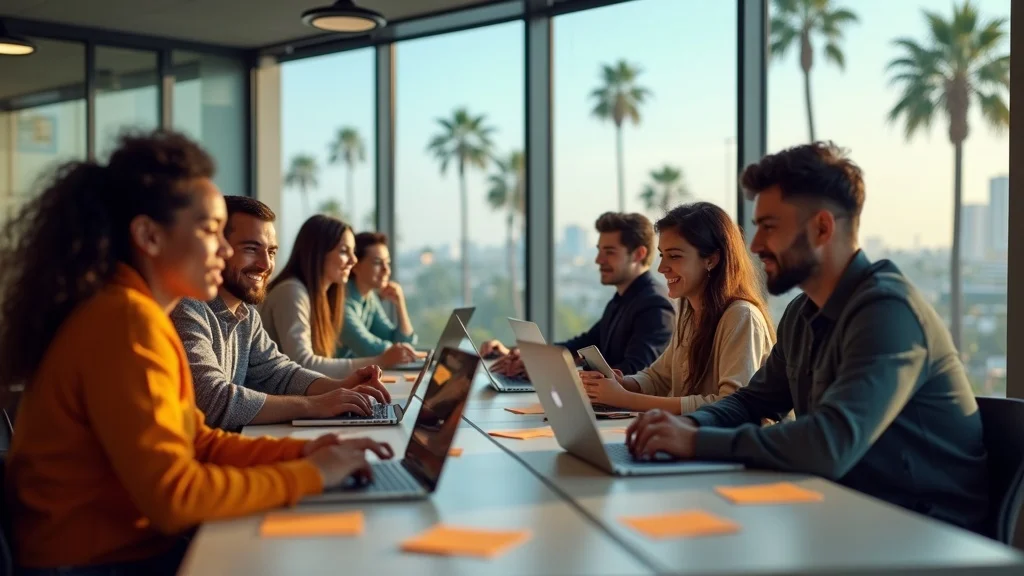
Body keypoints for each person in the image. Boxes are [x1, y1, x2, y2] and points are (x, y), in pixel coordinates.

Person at [1, 131, 393, 575]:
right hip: (93, 563)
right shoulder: (126, 324)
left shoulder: (135, 312)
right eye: (211, 231)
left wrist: (304, 453)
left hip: (122, 550)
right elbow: (175, 497)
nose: (226, 251)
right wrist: (313, 475)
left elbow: (197, 440)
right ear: (149, 236)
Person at [625, 142, 988, 532]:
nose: (754, 245)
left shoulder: (888, 312)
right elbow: (751, 401)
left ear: (821, 228)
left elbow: (827, 445)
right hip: (840, 515)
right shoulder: (802, 314)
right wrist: (691, 426)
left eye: (769, 227)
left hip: (923, 536)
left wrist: (696, 443)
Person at [171, 197, 392, 431]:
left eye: (272, 251)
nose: (266, 264)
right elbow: (213, 401)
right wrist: (314, 405)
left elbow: (279, 372)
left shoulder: (247, 314)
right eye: (250, 248)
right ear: (219, 249)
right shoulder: (187, 307)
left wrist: (338, 386)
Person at [580, 202, 775, 414]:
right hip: (696, 439)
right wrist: (621, 383)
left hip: (733, 445)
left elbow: (730, 404)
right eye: (662, 255)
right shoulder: (689, 312)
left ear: (711, 259)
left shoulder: (740, 316)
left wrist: (624, 398)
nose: (662, 268)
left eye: (674, 256)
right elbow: (658, 378)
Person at [481, 212, 674, 377]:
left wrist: (547, 371)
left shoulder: (654, 305)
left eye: (609, 252)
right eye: (599, 251)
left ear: (638, 254)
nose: (599, 260)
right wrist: (523, 354)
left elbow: (633, 373)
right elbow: (578, 346)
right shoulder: (623, 300)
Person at [259, 216, 416, 378]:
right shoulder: (291, 291)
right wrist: (380, 360)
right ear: (318, 252)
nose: (353, 260)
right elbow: (303, 364)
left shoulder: (323, 298)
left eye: (353, 252)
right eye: (343, 251)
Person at [337, 231, 419, 363]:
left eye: (387, 263)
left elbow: (399, 340)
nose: (386, 270)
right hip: (331, 379)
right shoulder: (342, 301)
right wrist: (402, 350)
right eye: (377, 262)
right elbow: (369, 348)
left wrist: (400, 304)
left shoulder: (369, 298)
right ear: (355, 266)